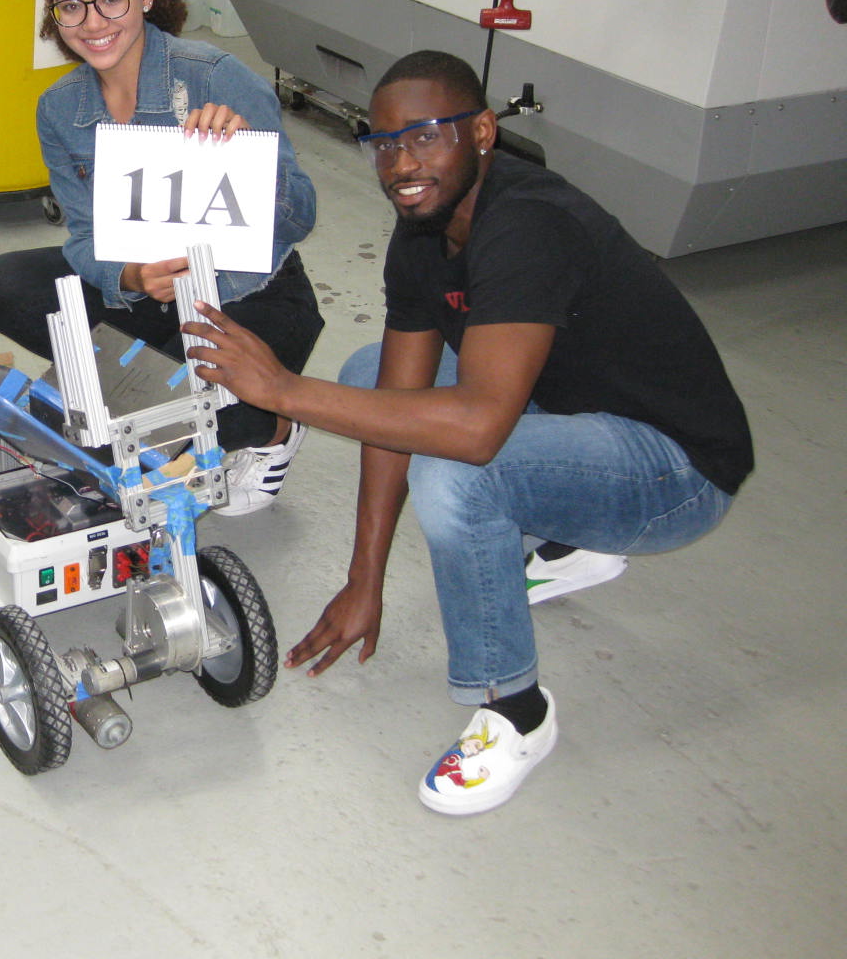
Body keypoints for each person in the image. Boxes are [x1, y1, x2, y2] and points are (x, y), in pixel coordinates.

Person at [182, 50, 753, 815]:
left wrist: (284, 390)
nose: (400, 164)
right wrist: (365, 578)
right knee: (370, 375)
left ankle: (515, 711)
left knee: (457, 472)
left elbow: (478, 431)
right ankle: (567, 541)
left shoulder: (528, 224)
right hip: (572, 412)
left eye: (425, 136)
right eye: (384, 143)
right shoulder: (424, 228)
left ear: (482, 132)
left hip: (675, 469)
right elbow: (396, 400)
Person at [0, 0, 322, 513]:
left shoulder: (214, 76)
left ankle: (275, 428)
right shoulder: (59, 108)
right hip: (147, 296)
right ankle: (140, 381)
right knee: (3, 283)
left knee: (179, 428)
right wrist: (129, 276)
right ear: (54, 14)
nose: (93, 23)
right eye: (70, 6)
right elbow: (84, 238)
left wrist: (249, 156)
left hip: (245, 295)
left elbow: (300, 217)